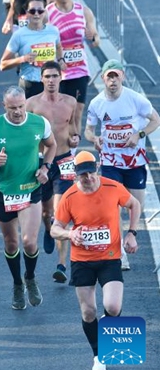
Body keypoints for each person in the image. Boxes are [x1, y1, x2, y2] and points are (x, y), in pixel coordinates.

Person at [51, 151, 140, 370]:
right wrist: (70, 234)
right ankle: (99, 356)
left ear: (97, 168)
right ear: (75, 174)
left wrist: (132, 233)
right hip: (82, 261)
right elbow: (55, 229)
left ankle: (106, 340)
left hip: (110, 257)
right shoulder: (69, 197)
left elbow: (134, 204)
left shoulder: (112, 187)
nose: (88, 178)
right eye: (83, 175)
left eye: (91, 172)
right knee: (88, 312)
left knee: (113, 306)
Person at [0, 85, 56, 310]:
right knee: (11, 243)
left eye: (21, 106)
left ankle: (30, 277)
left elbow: (52, 145)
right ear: (4, 106)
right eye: (12, 108)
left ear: (25, 104)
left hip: (30, 189)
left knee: (29, 242)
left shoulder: (39, 123)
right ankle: (17, 284)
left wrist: (46, 167)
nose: (18, 112)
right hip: (4, 191)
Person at [84, 59, 160, 271]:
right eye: (109, 77)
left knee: (135, 205)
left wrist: (139, 134)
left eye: (116, 76)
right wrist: (94, 139)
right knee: (112, 207)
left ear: (122, 77)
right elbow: (88, 130)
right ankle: (119, 252)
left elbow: (156, 120)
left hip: (135, 161)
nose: (113, 81)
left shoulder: (135, 99)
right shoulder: (97, 103)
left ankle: (132, 233)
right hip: (111, 161)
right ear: (103, 79)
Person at [25, 62, 79, 282]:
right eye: (47, 76)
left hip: (64, 159)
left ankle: (62, 265)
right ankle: (48, 229)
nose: (51, 80)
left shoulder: (71, 102)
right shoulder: (31, 104)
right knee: (47, 213)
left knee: (60, 212)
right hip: (41, 162)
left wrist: (75, 138)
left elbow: (73, 127)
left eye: (54, 76)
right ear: (41, 78)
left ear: (60, 77)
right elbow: (25, 133)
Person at [46, 0, 99, 132]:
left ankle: (74, 145)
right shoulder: (47, 13)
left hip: (79, 68)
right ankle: (60, 144)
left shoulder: (83, 11)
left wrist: (93, 38)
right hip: (58, 69)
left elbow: (96, 40)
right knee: (61, 113)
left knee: (77, 110)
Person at [0, 0, 62, 98]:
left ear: (45, 12)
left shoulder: (53, 31)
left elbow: (58, 47)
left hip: (51, 84)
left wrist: (61, 60)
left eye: (40, 11)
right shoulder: (19, 35)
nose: (36, 14)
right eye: (32, 11)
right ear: (27, 13)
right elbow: (3, 65)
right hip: (30, 84)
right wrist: (23, 59)